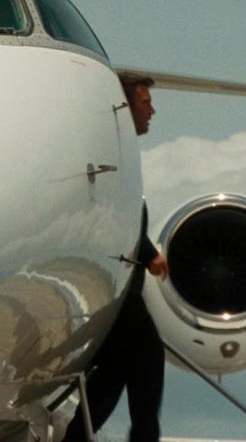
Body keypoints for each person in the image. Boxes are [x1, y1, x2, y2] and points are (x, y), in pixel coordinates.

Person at [61, 75, 169, 442]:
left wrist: (149, 254)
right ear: (124, 107)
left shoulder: (118, 152)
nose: (152, 110)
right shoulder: (108, 154)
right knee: (145, 364)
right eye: (145, 103)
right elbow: (111, 214)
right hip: (116, 294)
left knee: (113, 377)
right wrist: (150, 254)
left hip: (118, 294)